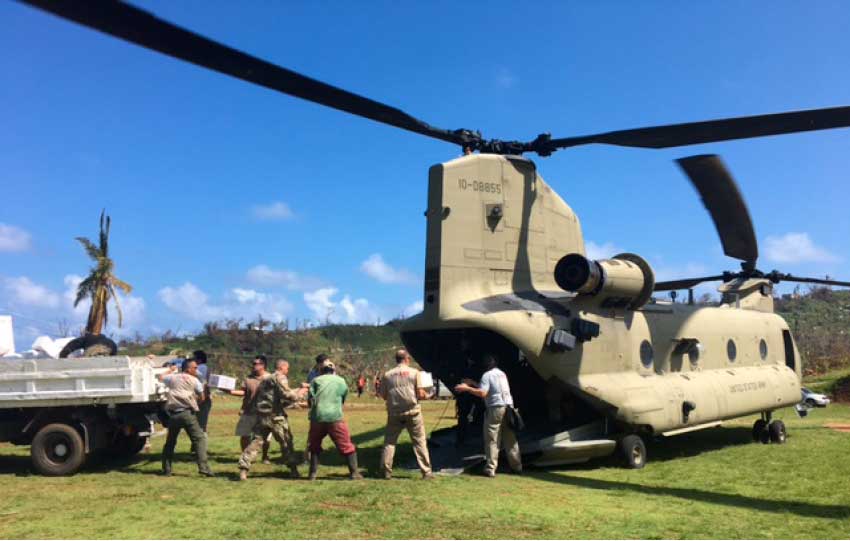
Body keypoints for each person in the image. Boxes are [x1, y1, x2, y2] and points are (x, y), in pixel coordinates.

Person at [238, 357, 306, 480]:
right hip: (276, 416)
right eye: (287, 368)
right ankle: (293, 470)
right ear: (282, 367)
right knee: (286, 442)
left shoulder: (266, 379)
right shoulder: (280, 377)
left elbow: (275, 395)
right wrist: (302, 392)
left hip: (262, 415)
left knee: (256, 442)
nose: (287, 371)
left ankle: (244, 468)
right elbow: (287, 395)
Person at [454, 354, 522, 477]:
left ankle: (490, 468)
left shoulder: (486, 375)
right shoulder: (502, 374)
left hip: (495, 408)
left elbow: (483, 393)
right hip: (508, 407)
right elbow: (491, 388)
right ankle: (517, 466)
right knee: (510, 438)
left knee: (492, 438)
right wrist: (473, 383)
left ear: (486, 364)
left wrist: (466, 388)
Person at [379, 349, 433, 479]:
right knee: (419, 442)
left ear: (396, 360)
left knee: (390, 442)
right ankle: (426, 471)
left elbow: (383, 395)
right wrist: (428, 395)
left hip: (394, 413)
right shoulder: (414, 373)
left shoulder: (387, 375)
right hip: (413, 412)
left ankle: (386, 471)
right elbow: (420, 394)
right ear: (407, 359)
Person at [307, 357, 362, 480]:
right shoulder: (340, 380)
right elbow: (343, 397)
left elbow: (310, 399)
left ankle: (312, 474)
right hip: (335, 417)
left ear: (321, 370)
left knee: (314, 446)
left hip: (317, 417)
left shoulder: (315, 380)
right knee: (346, 445)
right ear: (333, 370)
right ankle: (354, 473)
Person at [159, 359, 215, 477]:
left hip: (173, 414)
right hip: (187, 413)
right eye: (194, 368)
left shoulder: (173, 378)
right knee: (199, 439)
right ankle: (203, 467)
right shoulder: (194, 380)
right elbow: (202, 396)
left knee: (170, 442)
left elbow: (161, 377)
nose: (196, 370)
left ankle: (167, 469)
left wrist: (171, 369)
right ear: (188, 369)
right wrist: (195, 402)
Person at [229, 356, 270, 462]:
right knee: (244, 434)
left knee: (265, 437)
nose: (254, 365)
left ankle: (265, 456)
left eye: (256, 363)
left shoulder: (270, 378)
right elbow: (243, 392)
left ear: (263, 365)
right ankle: (245, 457)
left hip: (265, 412)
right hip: (248, 411)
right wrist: (229, 392)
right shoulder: (248, 378)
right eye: (253, 363)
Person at [191, 350, 212, 433]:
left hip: (202, 398)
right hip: (202, 397)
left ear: (199, 360)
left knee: (200, 426)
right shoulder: (203, 367)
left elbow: (202, 382)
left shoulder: (201, 367)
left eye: (194, 359)